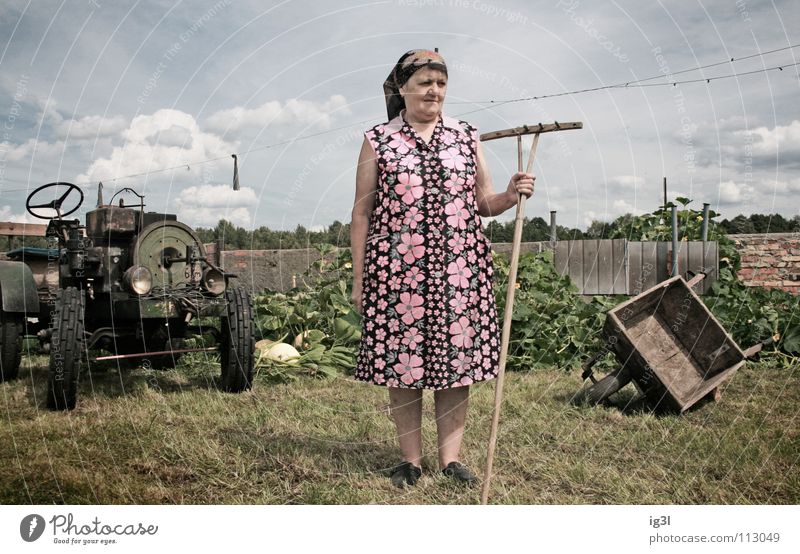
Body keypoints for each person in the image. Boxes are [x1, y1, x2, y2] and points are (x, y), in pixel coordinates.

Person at [350, 49, 534, 488]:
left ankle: (451, 460)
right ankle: (410, 461)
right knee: (405, 366)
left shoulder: (466, 136)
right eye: (426, 82)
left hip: (459, 271)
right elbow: (361, 213)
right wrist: (360, 279)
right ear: (401, 87)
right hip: (399, 274)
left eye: (441, 83)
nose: (435, 91)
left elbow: (483, 204)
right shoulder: (378, 140)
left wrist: (509, 195)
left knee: (457, 366)